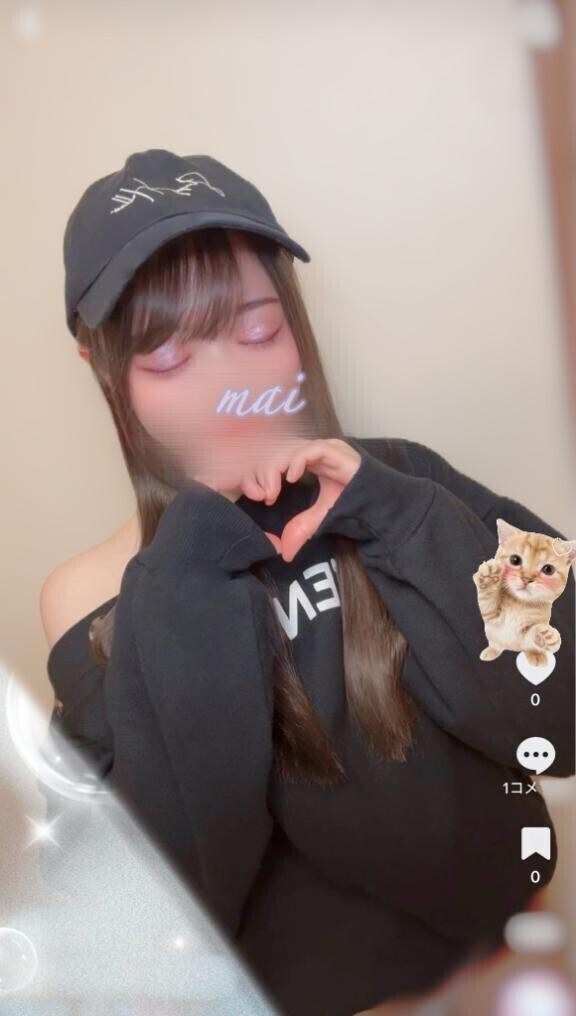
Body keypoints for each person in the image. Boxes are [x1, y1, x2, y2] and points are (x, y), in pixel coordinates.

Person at [39, 149, 575, 1016]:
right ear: (102, 368)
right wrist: (183, 575)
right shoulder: (96, 599)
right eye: (169, 359)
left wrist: (401, 519)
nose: (231, 386)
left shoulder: (407, 485)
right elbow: (150, 925)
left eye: (257, 333)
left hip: (505, 975)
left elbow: (560, 716)